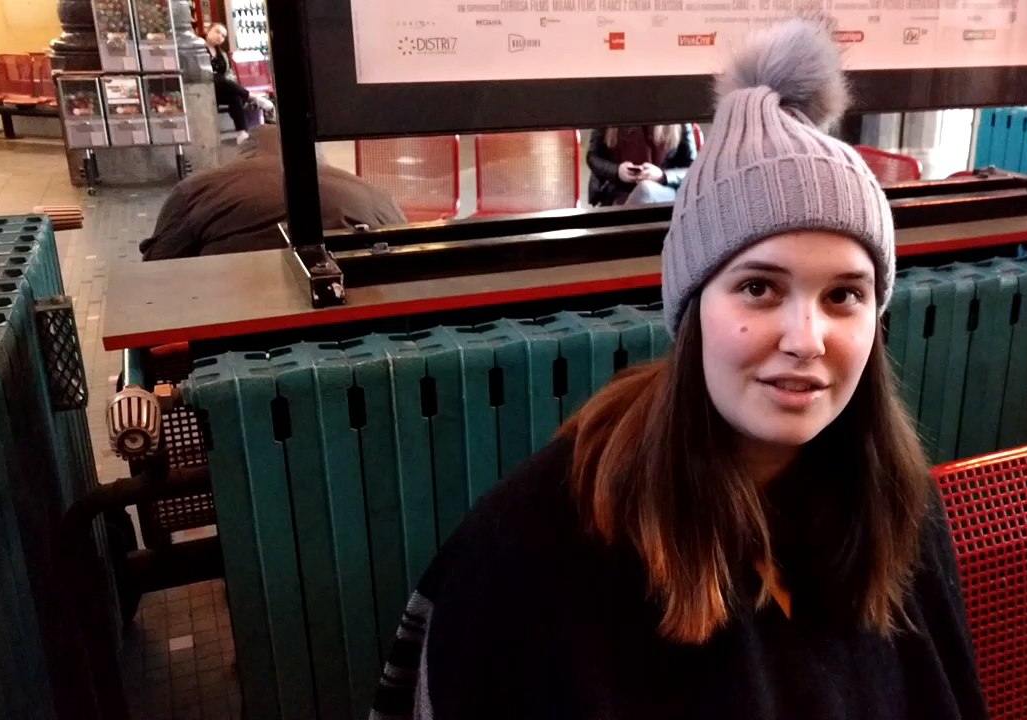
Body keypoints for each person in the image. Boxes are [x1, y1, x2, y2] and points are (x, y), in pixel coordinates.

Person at [370, 17, 988, 720]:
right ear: (692, 309)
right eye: (759, 287)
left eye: (844, 295)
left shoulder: (897, 509)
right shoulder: (542, 546)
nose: (806, 338)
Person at [140, 125, 406, 260]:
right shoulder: (370, 193)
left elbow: (159, 264)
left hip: (232, 328)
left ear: (244, 154)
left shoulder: (198, 189)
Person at [587, 123, 696, 206]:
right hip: (617, 192)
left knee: (645, 190)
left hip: (663, 190)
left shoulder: (678, 113)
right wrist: (617, 171)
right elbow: (593, 156)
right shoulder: (609, 107)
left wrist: (663, 176)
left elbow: (693, 168)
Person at [205, 22, 273, 144]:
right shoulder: (199, 49)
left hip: (220, 91)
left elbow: (228, 74)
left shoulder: (223, 55)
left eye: (223, 35)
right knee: (215, 77)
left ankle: (242, 132)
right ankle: (252, 97)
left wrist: (231, 82)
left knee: (234, 95)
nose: (219, 36)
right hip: (205, 89)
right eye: (217, 32)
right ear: (208, 30)